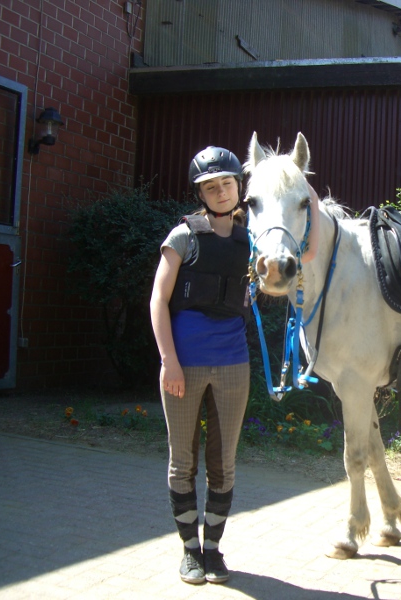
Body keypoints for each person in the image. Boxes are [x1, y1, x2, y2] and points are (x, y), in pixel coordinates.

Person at [150, 146, 251, 585]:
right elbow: (158, 299)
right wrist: (168, 361)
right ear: (201, 194)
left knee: (224, 463)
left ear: (238, 186)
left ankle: (213, 550)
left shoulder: (254, 238)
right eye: (211, 187)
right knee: (183, 461)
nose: (221, 192)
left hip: (233, 364)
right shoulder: (183, 236)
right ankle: (190, 551)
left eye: (227, 183)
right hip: (184, 366)